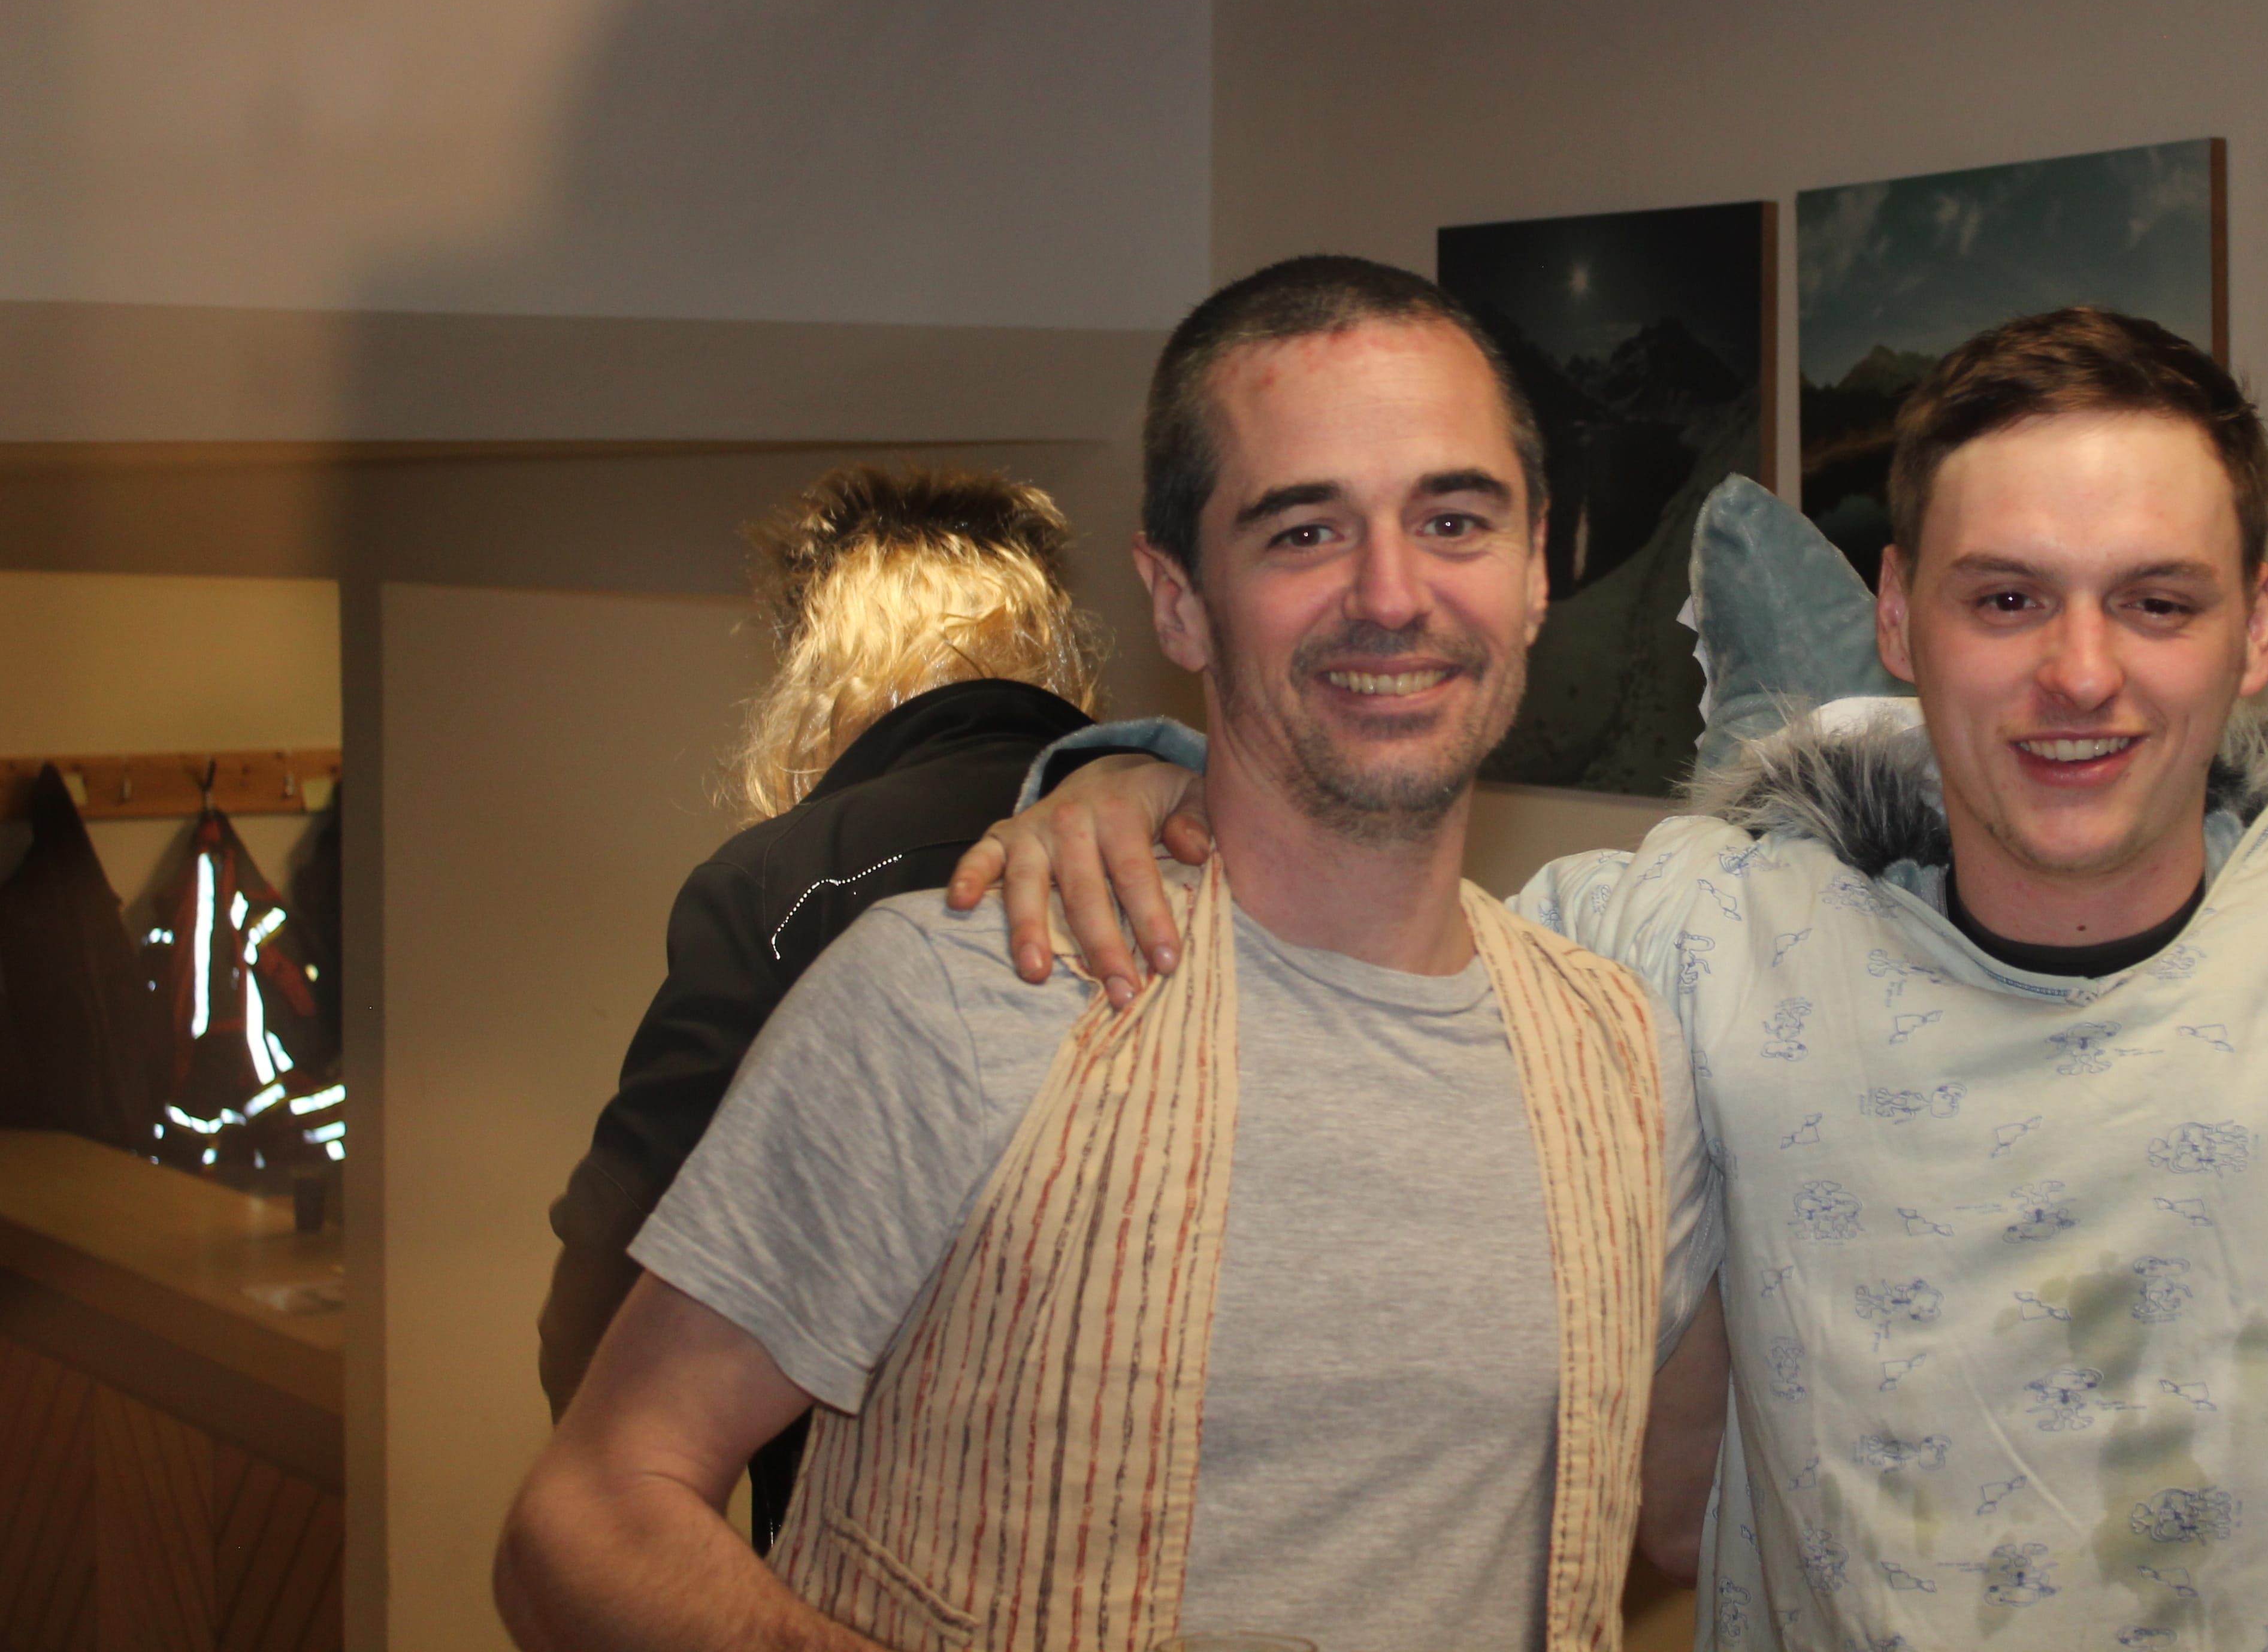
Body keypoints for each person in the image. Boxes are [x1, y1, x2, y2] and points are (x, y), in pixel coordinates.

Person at [968, 305, 2268, 1648]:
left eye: (2155, 602)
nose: (2082, 675)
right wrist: (1135, 772)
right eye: (2007, 600)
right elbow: (1363, 892)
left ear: (2255, 629)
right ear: (1896, 618)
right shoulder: (1706, 942)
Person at [495, 257, 1717, 1652]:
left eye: (1453, 520)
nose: (1392, 594)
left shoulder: (1624, 1060)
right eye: (1303, 531)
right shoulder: (957, 1000)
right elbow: (583, 1517)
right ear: (1179, 599)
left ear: (1537, 568)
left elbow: (1672, 1515)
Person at [533, 464, 1102, 1546]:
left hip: (857, 1541)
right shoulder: (1182, 839)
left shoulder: (781, 880)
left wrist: (623, 1502)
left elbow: (625, 1234)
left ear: (826, 671)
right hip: (1138, 1521)